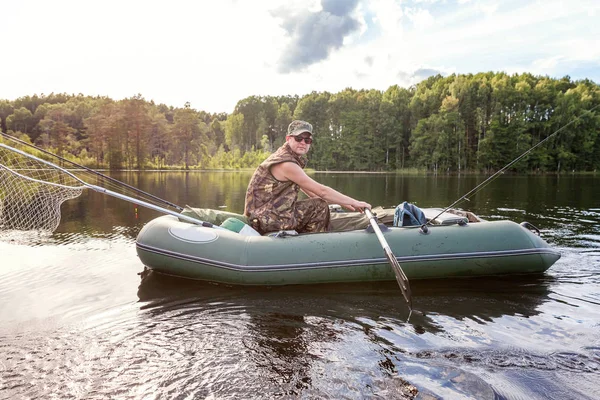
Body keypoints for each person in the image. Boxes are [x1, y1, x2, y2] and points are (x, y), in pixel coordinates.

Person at [244, 120, 371, 234]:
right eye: (298, 138)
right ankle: (314, 244)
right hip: (265, 219)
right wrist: (355, 202)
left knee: (319, 203)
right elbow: (322, 191)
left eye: (307, 140)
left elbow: (309, 189)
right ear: (288, 138)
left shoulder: (285, 157)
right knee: (319, 206)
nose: (303, 143)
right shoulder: (287, 164)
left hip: (261, 216)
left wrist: (342, 202)